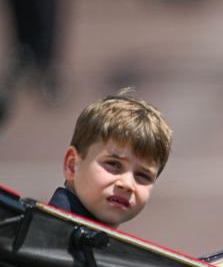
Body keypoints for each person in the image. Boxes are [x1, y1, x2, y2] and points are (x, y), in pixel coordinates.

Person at [50, 88, 173, 228]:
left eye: (143, 175)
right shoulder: (38, 238)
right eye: (114, 164)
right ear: (72, 165)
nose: (127, 184)